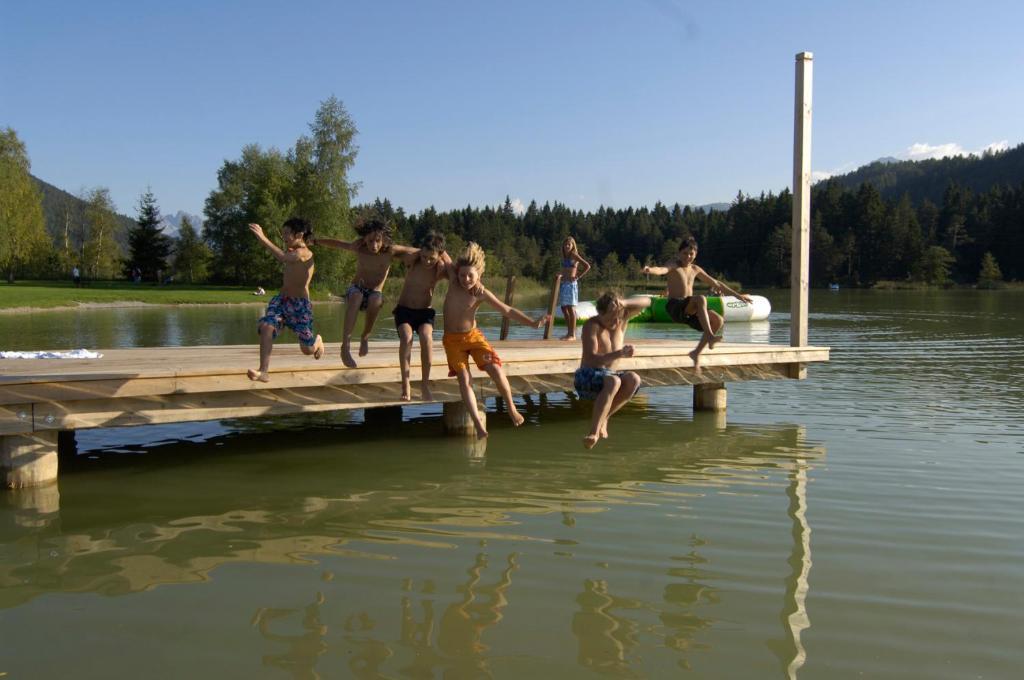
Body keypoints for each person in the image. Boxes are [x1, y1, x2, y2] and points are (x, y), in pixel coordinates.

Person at [442, 242, 549, 439]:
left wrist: (533, 323)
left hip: (473, 337)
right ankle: (477, 423)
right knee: (465, 379)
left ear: (479, 275)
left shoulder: (481, 292)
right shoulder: (453, 279)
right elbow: (441, 252)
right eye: (462, 275)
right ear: (457, 273)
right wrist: (438, 245)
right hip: (453, 341)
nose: (466, 279)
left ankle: (511, 407)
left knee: (496, 369)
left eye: (470, 276)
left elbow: (506, 310)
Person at [313, 214, 417, 367]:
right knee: (356, 296)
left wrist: (441, 254)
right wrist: (315, 241)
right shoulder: (359, 247)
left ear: (384, 239)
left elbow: (417, 252)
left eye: (377, 241)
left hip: (375, 293)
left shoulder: (391, 251)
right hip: (357, 288)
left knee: (375, 299)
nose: (373, 245)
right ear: (364, 239)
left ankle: (365, 337)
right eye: (370, 241)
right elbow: (336, 243)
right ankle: (345, 347)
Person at [643, 236, 752, 370]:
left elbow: (716, 283)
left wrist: (738, 295)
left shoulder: (695, 269)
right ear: (678, 253)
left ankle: (696, 353)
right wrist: (650, 270)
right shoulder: (673, 264)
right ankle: (711, 337)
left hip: (689, 310)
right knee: (700, 298)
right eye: (684, 253)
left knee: (718, 320)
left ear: (695, 255)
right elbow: (661, 270)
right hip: (675, 307)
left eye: (691, 254)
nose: (688, 257)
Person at [246, 218, 325, 382]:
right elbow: (285, 256)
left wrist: (262, 237)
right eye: (283, 234)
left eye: (287, 233)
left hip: (300, 306)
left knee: (307, 350)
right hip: (282, 300)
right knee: (267, 326)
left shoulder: (304, 253)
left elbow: (283, 258)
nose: (284, 237)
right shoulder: (291, 251)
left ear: (299, 235)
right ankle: (264, 371)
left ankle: (317, 342)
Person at [575, 292, 650, 449]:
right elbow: (590, 359)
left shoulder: (621, 321)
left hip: (609, 376)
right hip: (587, 376)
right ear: (601, 313)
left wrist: (623, 302)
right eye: (610, 316)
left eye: (618, 315)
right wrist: (620, 353)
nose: (615, 321)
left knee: (634, 379)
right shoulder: (592, 325)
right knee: (614, 381)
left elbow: (647, 301)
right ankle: (593, 432)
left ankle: (605, 417)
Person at [394, 231, 451, 401]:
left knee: (426, 337)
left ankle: (425, 383)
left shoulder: (440, 268)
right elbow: (395, 249)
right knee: (407, 338)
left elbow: (455, 270)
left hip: (424, 311)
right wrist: (419, 252)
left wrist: (442, 257)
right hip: (404, 310)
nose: (427, 261)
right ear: (421, 251)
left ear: (439, 255)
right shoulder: (413, 260)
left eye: (431, 258)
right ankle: (406, 383)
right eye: (424, 256)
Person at [558, 236, 592, 341]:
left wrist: (578, 276)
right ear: (563, 246)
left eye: (569, 244)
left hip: (571, 285)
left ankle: (572, 335)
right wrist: (560, 275)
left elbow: (587, 266)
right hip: (564, 284)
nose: (567, 246)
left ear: (573, 246)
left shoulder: (574, 255)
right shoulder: (565, 257)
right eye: (565, 244)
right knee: (564, 308)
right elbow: (565, 270)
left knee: (570, 308)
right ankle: (569, 333)